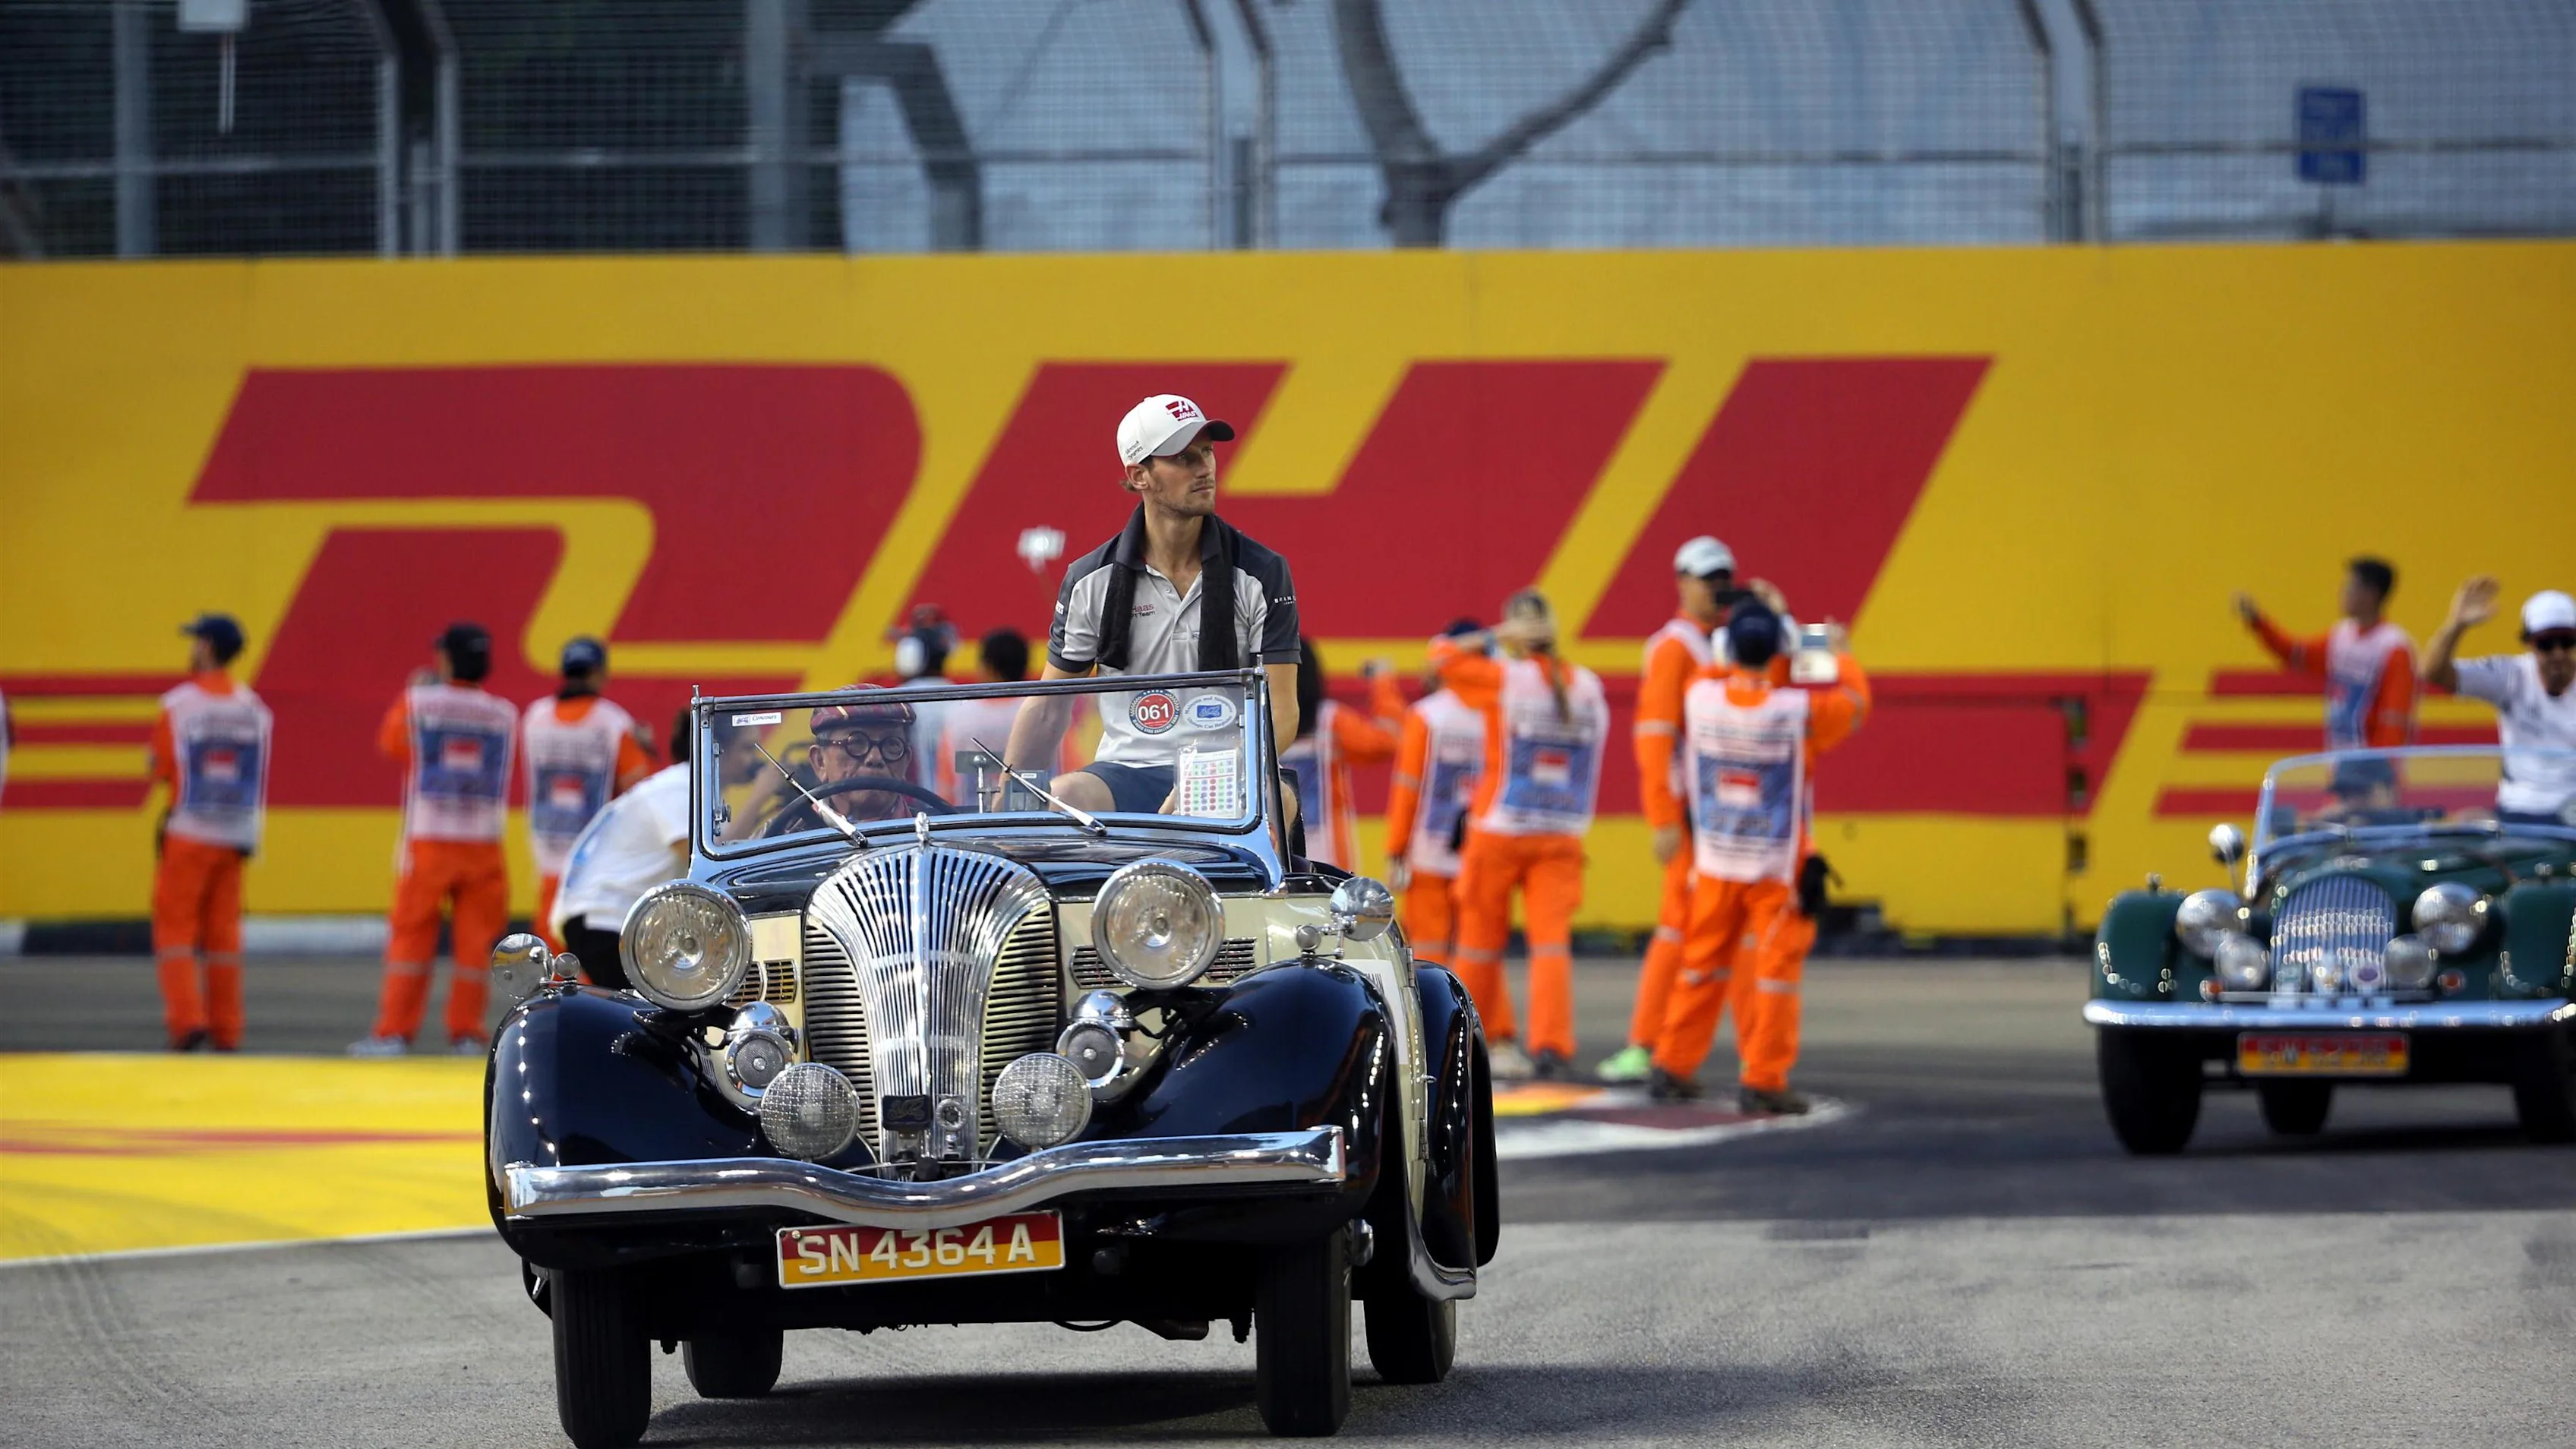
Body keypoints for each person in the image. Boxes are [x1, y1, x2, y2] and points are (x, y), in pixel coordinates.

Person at [1004, 393, 1300, 816]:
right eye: (1182, 457)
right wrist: (1006, 801)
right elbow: (1048, 709)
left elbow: (1282, 714)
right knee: (1064, 795)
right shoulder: (1090, 580)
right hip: (1126, 771)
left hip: (1229, 769)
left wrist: (1211, 778)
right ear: (1139, 475)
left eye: (1207, 451)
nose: (1205, 468)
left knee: (1277, 801)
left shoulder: (1262, 571)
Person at [1652, 604, 1870, 1113]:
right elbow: (1854, 703)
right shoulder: (1794, 713)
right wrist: (1831, 647)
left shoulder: (1700, 697)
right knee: (1775, 975)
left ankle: (1673, 1063)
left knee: (1700, 967)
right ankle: (1765, 1077)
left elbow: (1720, 668)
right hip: (1774, 868)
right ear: (1777, 653)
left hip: (1716, 862)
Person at [1435, 590, 1611, 1082]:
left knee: (1478, 945)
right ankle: (1552, 1044)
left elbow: (1441, 658)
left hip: (1499, 831)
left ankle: (1457, 1037)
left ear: (1518, 631)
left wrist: (1493, 636)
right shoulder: (1589, 687)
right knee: (1550, 945)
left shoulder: (1503, 678)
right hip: (1560, 833)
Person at [1601, 535, 1735, 1085]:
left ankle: (1668, 1044)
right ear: (1683, 582)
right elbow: (1655, 737)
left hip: (1721, 815)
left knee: (1699, 930)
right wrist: (1662, 816)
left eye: (1724, 578)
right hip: (1689, 816)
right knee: (1679, 929)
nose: (1719, 589)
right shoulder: (1675, 646)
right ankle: (1647, 1043)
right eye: (1710, 580)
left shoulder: (1721, 642)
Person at [352, 623, 518, 1056]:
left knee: (410, 939)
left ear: (445, 659)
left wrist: (416, 690)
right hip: (483, 842)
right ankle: (466, 1034)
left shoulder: (418, 702)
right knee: (474, 948)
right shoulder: (503, 713)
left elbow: (392, 745)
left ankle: (393, 1033)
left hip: (429, 840)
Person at [552, 708, 767, 987]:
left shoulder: (686, 786)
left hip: (605, 920)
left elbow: (730, 852)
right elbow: (709, 864)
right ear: (716, 750)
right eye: (747, 749)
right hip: (605, 921)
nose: (755, 761)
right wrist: (761, 796)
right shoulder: (681, 787)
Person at [147, 613, 273, 1052]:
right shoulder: (253, 708)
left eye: (196, 640)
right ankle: (227, 1029)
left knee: (176, 932)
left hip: (189, 832)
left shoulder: (179, 704)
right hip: (235, 836)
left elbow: (161, 767)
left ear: (207, 648)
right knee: (223, 938)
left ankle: (187, 1022)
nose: (192, 647)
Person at [520, 637, 654, 952]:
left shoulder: (535, 717)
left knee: (548, 950)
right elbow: (638, 783)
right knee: (588, 952)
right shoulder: (612, 721)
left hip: (548, 854)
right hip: (593, 860)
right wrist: (646, 748)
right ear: (598, 673)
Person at [2423, 579, 2576, 825]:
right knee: (2457, 825)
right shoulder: (2511, 675)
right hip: (2514, 811)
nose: (2557, 654)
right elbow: (2434, 674)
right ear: (2529, 644)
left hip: (2571, 816)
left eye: (2567, 642)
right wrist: (2456, 625)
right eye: (2546, 644)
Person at [1383, 620, 1488, 964]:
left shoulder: (1428, 714)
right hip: (1483, 850)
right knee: (1478, 947)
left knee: (1429, 948)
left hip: (1429, 850)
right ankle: (1488, 1016)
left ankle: (1433, 1012)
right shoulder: (1500, 711)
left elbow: (1409, 788)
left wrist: (1396, 848)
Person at [2235, 557, 2417, 750]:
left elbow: (2395, 717)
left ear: (2371, 594)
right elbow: (2296, 655)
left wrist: (2382, 766)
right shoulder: (2341, 636)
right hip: (2339, 759)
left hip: (2370, 763)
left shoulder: (2394, 646)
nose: (2343, 592)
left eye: (2350, 586)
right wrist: (2258, 622)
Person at [1278, 639, 1404, 871]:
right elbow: (1389, 738)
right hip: (1329, 862)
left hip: (1271, 856)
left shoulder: (1255, 724)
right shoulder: (1331, 720)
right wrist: (1383, 681)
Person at [762, 691, 927, 835]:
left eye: (892, 745)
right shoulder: (778, 836)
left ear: (907, 760)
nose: (875, 758)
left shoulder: (939, 831)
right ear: (820, 761)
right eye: (855, 743)